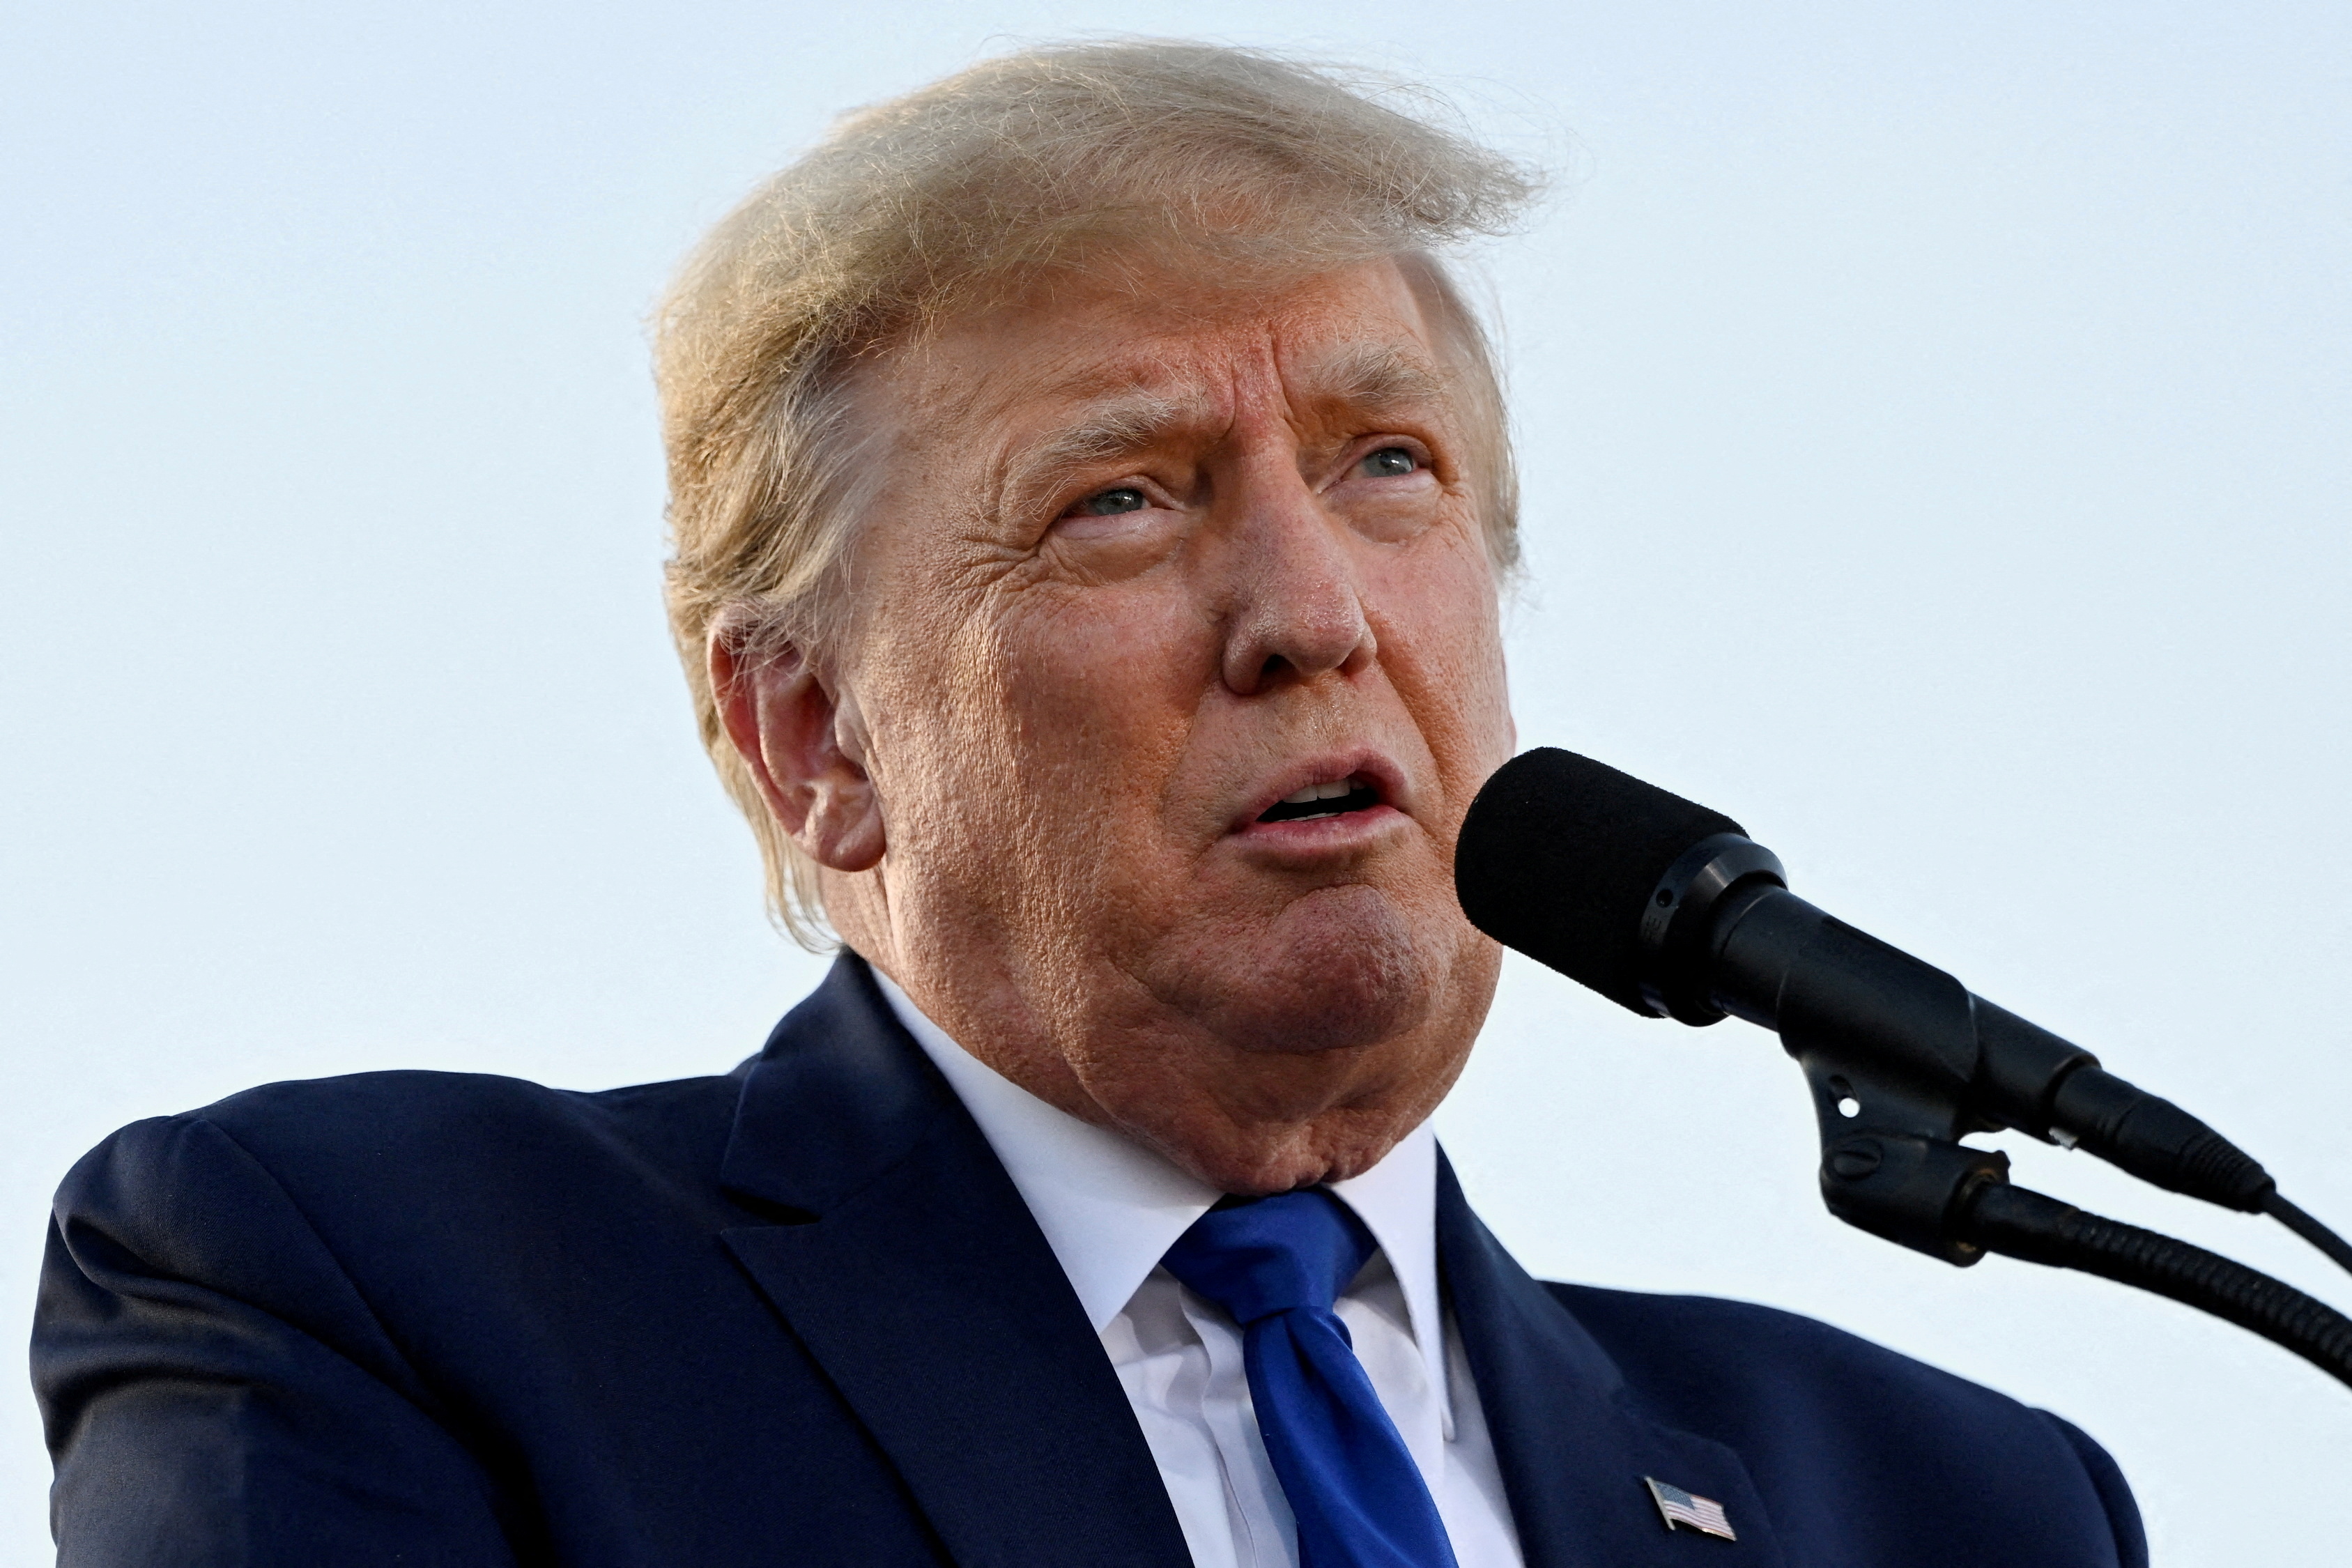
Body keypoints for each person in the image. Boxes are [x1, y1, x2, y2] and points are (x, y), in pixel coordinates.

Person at [33, 40, 2146, 1567]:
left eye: (1387, 464)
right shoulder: (384, 1286)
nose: (1311, 615)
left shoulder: (1954, 1507)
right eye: (1123, 498)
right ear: (812, 736)